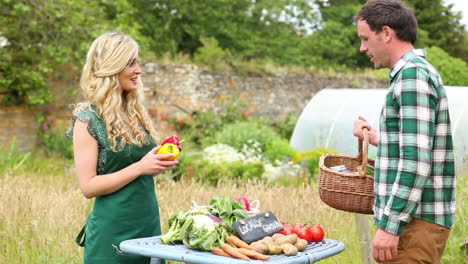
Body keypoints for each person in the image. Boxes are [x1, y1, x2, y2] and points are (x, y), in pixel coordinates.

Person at [352, 1, 456, 263]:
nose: (362, 48)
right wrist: (377, 139)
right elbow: (416, 147)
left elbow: (415, 162)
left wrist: (390, 226)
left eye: (365, 39)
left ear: (386, 33)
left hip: (414, 223)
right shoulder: (411, 74)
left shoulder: (412, 77)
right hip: (413, 222)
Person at [66, 32, 178, 264]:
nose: (139, 69)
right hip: (113, 231)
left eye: (138, 61)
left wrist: (158, 161)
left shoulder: (134, 113)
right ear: (111, 66)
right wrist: (140, 167)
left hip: (148, 223)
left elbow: (140, 166)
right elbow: (88, 186)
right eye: (130, 63)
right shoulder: (88, 120)